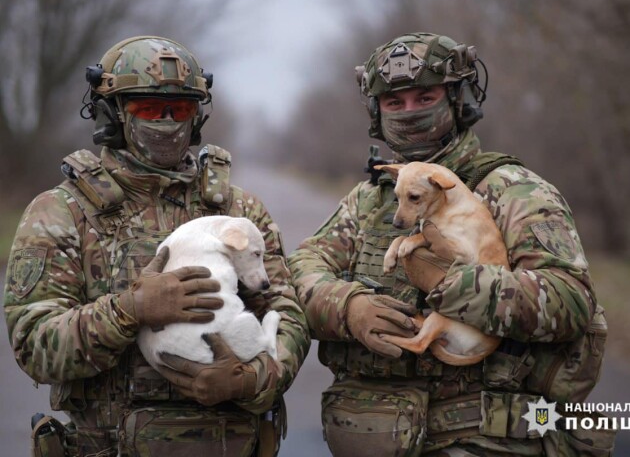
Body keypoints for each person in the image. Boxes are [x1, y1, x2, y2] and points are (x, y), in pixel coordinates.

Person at [288, 32, 615, 456]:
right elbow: (299, 273)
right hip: (373, 435)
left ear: (458, 100)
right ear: (376, 112)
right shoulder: (369, 199)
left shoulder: (511, 190)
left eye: (425, 97)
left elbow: (570, 301)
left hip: (483, 438)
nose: (409, 112)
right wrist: (346, 308)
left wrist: (456, 284)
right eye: (394, 102)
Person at [3, 35, 310, 457]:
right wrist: (129, 310)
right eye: (148, 108)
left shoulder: (237, 211)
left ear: (196, 117)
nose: (166, 121)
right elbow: (33, 344)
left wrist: (253, 378)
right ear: (113, 114)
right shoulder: (61, 212)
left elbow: (287, 313)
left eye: (180, 108)